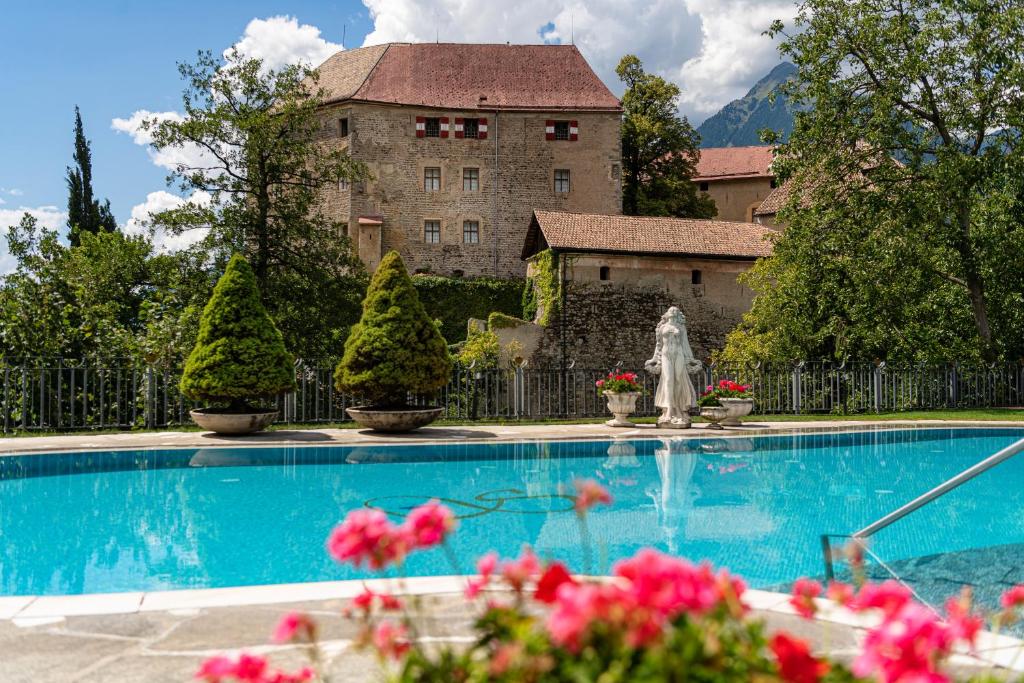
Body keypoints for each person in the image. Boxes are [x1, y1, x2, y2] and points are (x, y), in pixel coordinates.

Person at [644, 307, 702, 428]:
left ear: (678, 314)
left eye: (676, 310)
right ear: (668, 313)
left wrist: (691, 359)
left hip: (679, 354)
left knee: (679, 380)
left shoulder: (681, 327)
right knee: (668, 380)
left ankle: (680, 409)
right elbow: (658, 346)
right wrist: (654, 359)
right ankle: (669, 410)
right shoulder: (662, 327)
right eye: (672, 310)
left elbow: (685, 344)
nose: (674, 311)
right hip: (666, 355)